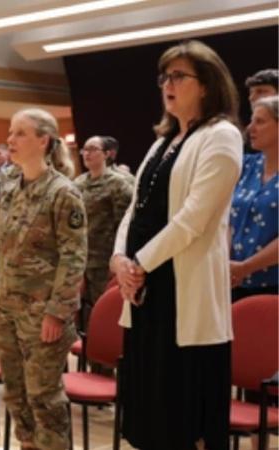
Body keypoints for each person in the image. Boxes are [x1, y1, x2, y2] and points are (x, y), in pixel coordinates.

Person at [111, 40, 242, 450]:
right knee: (149, 413)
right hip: (146, 290)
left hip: (183, 291)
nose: (168, 84)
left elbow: (193, 218)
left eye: (178, 76)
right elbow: (136, 208)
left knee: (182, 417)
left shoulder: (221, 137)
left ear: (206, 85)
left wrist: (139, 263)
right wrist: (119, 259)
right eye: (164, 77)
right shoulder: (162, 142)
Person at [0, 108, 85, 450]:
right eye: (11, 132)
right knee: (16, 394)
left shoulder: (62, 193)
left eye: (20, 133)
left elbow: (73, 258)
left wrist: (57, 313)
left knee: (44, 397)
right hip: (6, 310)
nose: (11, 139)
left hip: (42, 316)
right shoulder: (9, 188)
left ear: (43, 141)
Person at [74, 136, 133, 308]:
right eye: (85, 150)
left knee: (108, 307)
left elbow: (124, 226)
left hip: (105, 260)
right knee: (86, 309)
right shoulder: (78, 184)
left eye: (93, 149)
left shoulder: (118, 184)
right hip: (83, 260)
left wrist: (117, 259)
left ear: (107, 154)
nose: (87, 153)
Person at [230, 95, 278, 301]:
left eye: (260, 121)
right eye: (251, 121)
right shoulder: (246, 165)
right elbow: (227, 219)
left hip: (273, 287)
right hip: (234, 280)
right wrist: (226, 262)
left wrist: (246, 267)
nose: (250, 128)